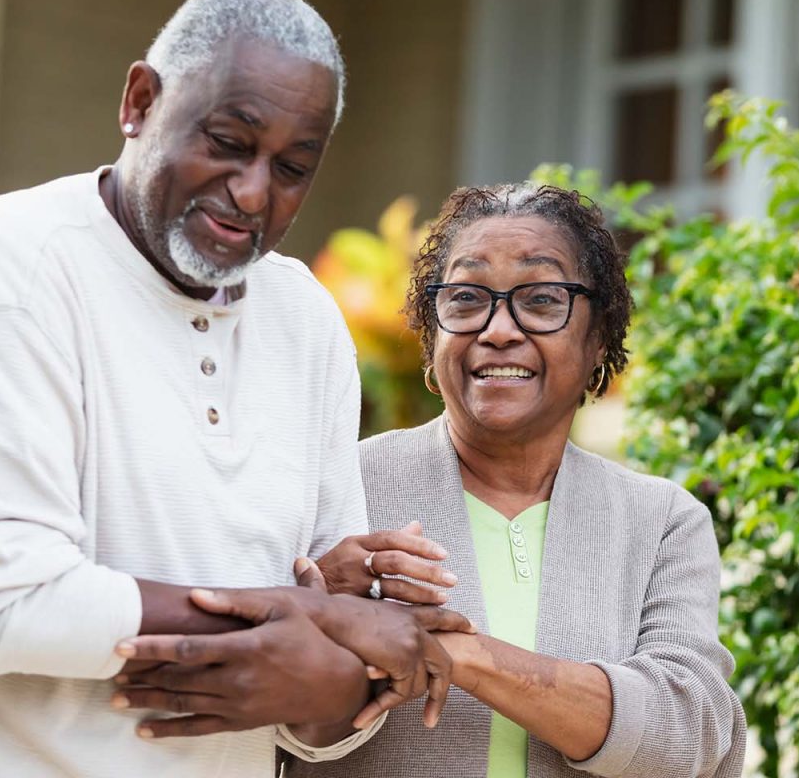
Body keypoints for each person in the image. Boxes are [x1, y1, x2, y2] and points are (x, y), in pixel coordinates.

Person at [0, 0, 469, 778]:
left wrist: (333, 672)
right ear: (139, 101)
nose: (253, 194)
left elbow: (318, 703)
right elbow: (0, 606)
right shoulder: (16, 265)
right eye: (230, 142)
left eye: (292, 168)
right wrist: (297, 616)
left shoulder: (307, 320)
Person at [121, 183, 748, 777]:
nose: (499, 330)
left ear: (597, 342)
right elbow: (273, 728)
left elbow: (688, 739)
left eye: (542, 300)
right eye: (467, 298)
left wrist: (465, 655)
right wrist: (322, 608)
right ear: (430, 339)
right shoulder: (343, 484)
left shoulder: (661, 522)